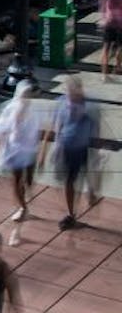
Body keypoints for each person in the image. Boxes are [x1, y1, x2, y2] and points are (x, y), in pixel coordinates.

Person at [38, 75, 100, 230]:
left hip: (83, 147)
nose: (70, 95)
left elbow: (96, 129)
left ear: (79, 90)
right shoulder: (61, 103)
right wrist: (44, 152)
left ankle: (90, 192)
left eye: (73, 91)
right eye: (68, 91)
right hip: (66, 147)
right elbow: (53, 126)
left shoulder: (89, 107)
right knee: (69, 180)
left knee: (86, 175)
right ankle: (71, 213)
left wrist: (96, 149)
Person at [0, 81, 41, 237]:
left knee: (28, 180)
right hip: (15, 151)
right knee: (17, 180)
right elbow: (1, 129)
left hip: (29, 150)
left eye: (28, 95)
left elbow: (37, 131)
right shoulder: (10, 108)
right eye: (24, 95)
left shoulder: (32, 111)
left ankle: (25, 199)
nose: (26, 98)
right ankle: (22, 207)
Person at [97, 0, 122, 81]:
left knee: (106, 47)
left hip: (109, 19)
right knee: (120, 47)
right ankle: (117, 68)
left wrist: (103, 15)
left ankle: (104, 74)